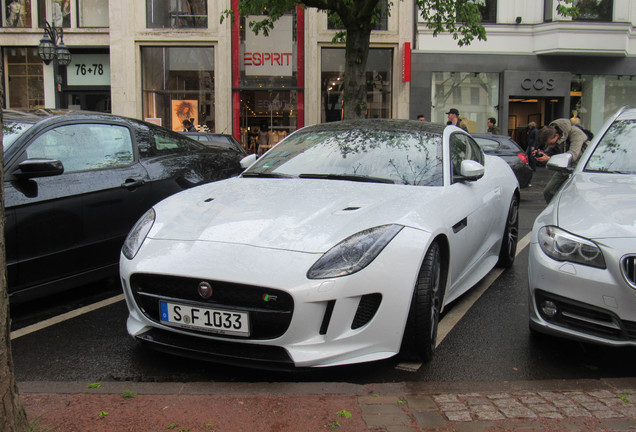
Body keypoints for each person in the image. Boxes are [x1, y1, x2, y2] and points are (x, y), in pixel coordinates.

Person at [534, 119, 589, 203]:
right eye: (548, 144)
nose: (551, 146)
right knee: (548, 192)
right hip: (565, 166)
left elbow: (573, 155)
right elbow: (550, 152)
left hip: (582, 167)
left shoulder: (575, 133)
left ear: (556, 135)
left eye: (551, 144)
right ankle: (553, 211)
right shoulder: (553, 134)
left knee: (577, 195)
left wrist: (550, 159)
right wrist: (542, 154)